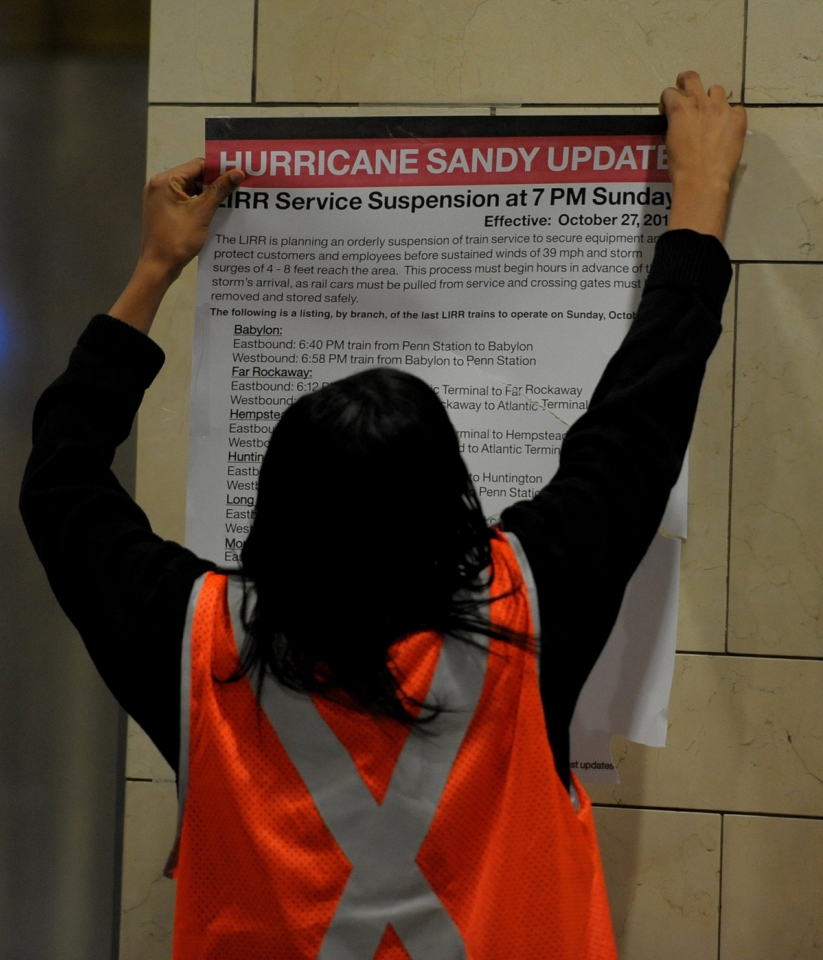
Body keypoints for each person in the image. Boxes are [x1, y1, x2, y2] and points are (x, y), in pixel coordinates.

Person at [20, 71, 745, 960]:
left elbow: (60, 482)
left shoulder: (193, 641)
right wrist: (702, 194)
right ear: (453, 503)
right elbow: (641, 417)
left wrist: (153, 267)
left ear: (274, 511)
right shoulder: (532, 607)